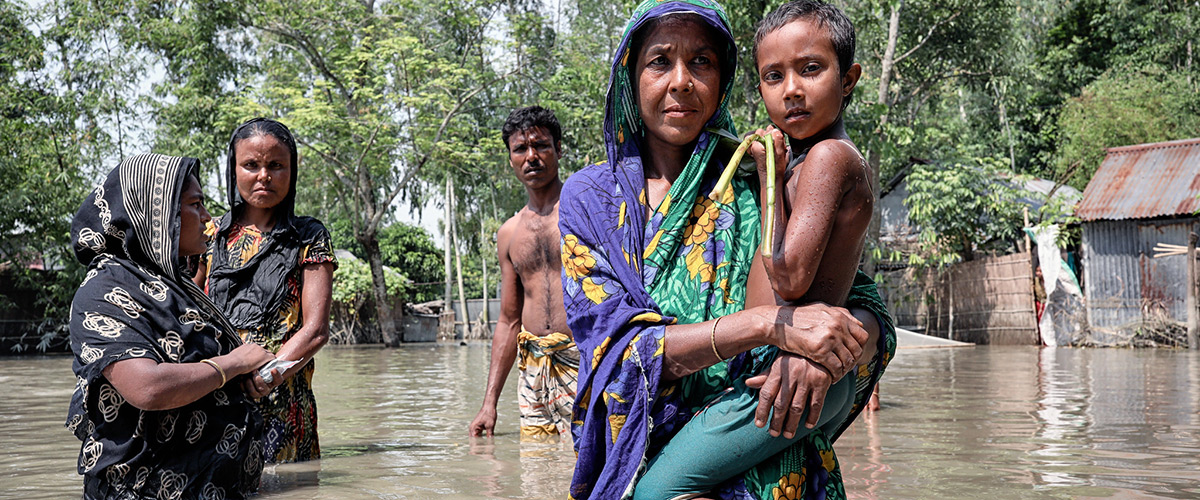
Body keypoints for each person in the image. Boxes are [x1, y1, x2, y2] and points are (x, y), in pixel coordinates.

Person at [556, 1, 896, 499]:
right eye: (659, 61)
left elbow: (860, 303)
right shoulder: (593, 201)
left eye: (701, 62)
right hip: (650, 451)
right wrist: (770, 327)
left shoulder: (759, 174)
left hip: (768, 425)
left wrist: (819, 357)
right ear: (631, 75)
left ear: (724, 80)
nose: (680, 81)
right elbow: (615, 347)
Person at [67, 153, 277, 499]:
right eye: (196, 204)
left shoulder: (175, 285)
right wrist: (236, 363)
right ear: (156, 215)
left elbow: (200, 371)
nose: (208, 218)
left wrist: (247, 380)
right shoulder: (103, 291)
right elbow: (148, 388)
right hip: (146, 489)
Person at [195, 118, 337, 463]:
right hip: (217, 392)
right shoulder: (208, 233)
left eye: (276, 165)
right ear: (234, 170)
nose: (264, 176)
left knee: (286, 485)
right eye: (251, 165)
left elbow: (315, 330)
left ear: (292, 171)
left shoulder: (309, 236)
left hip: (283, 395)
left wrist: (269, 373)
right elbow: (190, 309)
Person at [468, 106, 579, 440]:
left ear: (558, 150)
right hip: (533, 369)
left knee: (589, 470)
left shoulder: (584, 211)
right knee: (536, 470)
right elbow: (508, 321)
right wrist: (489, 404)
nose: (532, 157)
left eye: (542, 146)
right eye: (521, 149)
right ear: (511, 159)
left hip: (584, 359)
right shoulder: (509, 233)